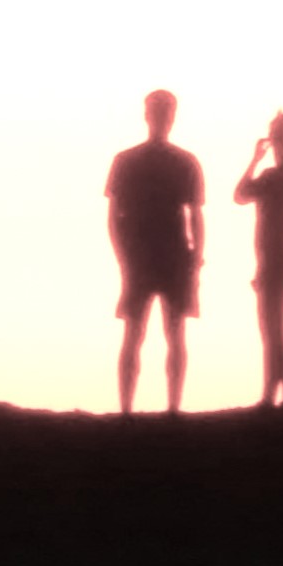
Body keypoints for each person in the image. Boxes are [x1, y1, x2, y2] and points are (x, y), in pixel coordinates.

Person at [105, 90, 205, 414]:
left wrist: (195, 258)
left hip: (167, 256)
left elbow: (195, 215)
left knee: (168, 333)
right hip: (146, 257)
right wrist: (123, 257)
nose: (162, 119)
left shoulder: (181, 162)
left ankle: (167, 407)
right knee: (140, 333)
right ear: (149, 116)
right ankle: (131, 408)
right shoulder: (128, 161)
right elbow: (113, 216)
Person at [234, 111, 283, 408]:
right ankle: (281, 395)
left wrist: (254, 160)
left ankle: (279, 396)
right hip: (282, 256)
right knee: (275, 329)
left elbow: (240, 195)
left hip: (279, 257)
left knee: (274, 329)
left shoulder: (278, 175)